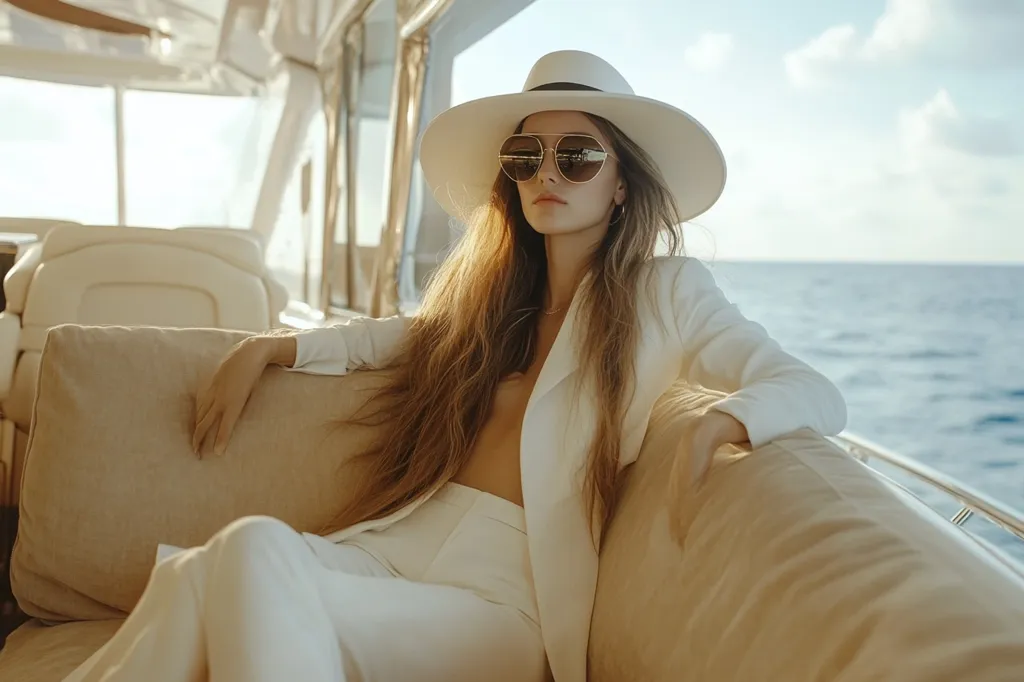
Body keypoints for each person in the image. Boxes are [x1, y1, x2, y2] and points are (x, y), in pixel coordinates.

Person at [63, 50, 847, 682]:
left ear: (620, 185)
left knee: (243, 561)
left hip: (504, 600)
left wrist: (730, 416)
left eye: (578, 156)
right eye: (526, 155)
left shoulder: (667, 291)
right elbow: (403, 335)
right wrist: (275, 346)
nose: (548, 173)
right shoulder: (496, 303)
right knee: (231, 555)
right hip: (397, 548)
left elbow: (812, 388)